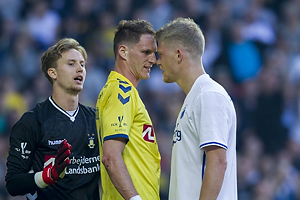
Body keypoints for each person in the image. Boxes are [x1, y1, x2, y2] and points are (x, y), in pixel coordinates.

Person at [5, 38, 100, 200]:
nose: (80, 69)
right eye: (71, 64)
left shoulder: (97, 119)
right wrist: (47, 176)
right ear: (53, 72)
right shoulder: (32, 121)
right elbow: (13, 183)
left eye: (82, 64)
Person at [155, 17, 237, 200]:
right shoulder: (194, 98)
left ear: (178, 55)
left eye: (160, 54)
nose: (157, 62)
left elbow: (217, 162)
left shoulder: (208, 95)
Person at [96, 19, 161, 200]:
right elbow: (110, 156)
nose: (153, 60)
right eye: (146, 52)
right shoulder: (120, 92)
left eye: (154, 53)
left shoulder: (123, 92)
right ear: (123, 51)